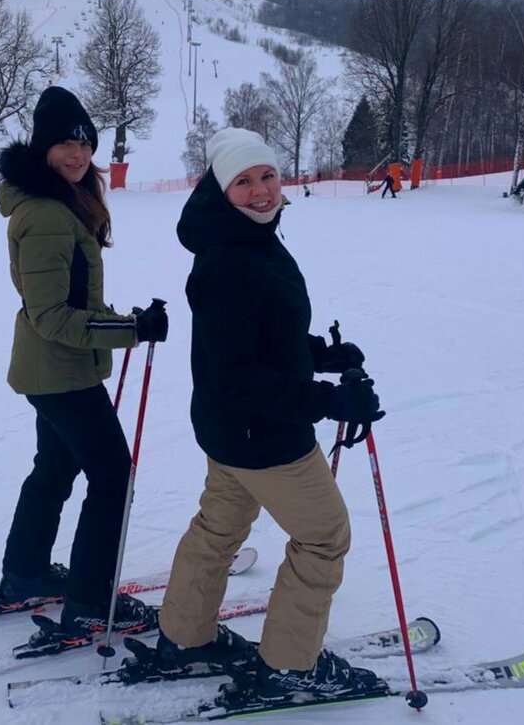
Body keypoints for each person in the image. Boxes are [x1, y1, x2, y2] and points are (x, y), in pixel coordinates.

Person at [154, 127, 386, 700]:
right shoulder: (232, 260)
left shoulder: (242, 239)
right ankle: (288, 666)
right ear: (219, 187)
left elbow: (254, 342)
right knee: (324, 536)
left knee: (219, 527)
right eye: (243, 182)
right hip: (264, 436)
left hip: (229, 431)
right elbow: (240, 377)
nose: (261, 192)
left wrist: (318, 355)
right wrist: (331, 401)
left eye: (268, 176)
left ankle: (184, 637)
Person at [0, 85, 169, 638]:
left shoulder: (62, 201)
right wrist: (131, 331)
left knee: (56, 467)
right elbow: (53, 317)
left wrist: (122, 320)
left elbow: (74, 305)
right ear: (43, 147)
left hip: (51, 370)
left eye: (84, 143)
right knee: (113, 475)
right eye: (65, 143)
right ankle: (91, 601)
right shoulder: (45, 213)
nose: (76, 154)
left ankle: (26, 573)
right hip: (61, 371)